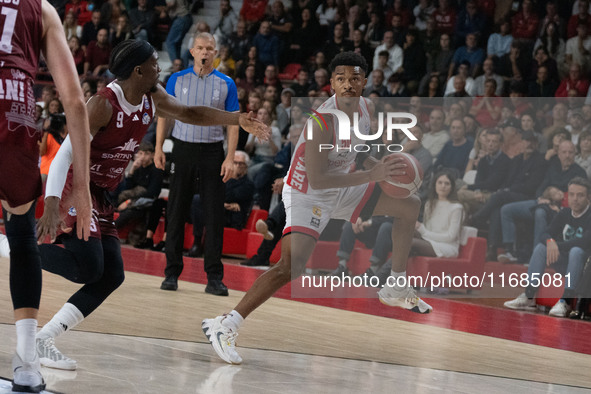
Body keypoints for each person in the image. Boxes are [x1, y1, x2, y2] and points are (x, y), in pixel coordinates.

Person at [33, 39, 268, 373]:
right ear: (138, 70)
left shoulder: (151, 95)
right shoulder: (103, 104)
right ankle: (18, 245)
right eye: (156, 64)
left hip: (102, 193)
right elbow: (66, 154)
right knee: (87, 266)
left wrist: (235, 118)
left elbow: (188, 113)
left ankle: (45, 338)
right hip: (76, 185)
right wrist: (53, 203)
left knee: (111, 275)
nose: (162, 68)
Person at [202, 52, 433, 366]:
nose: (348, 85)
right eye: (341, 79)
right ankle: (226, 324)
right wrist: (372, 176)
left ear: (365, 81)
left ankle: (396, 283)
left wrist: (380, 167)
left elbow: (361, 151)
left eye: (354, 78)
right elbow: (319, 178)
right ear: (332, 84)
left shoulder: (368, 108)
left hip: (345, 183)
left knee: (409, 205)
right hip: (308, 192)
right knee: (291, 266)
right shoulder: (322, 122)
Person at [0, 0, 92, 391]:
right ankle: (26, 361)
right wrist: (82, 188)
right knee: (21, 238)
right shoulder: (44, 10)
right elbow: (74, 101)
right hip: (15, 113)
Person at [155, 33, 244, 295]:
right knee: (176, 211)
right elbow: (164, 114)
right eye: (201, 48)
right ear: (192, 51)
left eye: (210, 48)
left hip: (212, 152)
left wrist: (230, 157)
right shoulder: (176, 79)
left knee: (214, 214)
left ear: (215, 52)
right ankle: (171, 273)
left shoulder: (226, 83)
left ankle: (214, 278)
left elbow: (233, 122)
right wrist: (159, 147)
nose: (205, 52)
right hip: (182, 148)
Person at [504, 178, 591, 317]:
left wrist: (557, 245)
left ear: (588, 197)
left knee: (576, 251)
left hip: (582, 265)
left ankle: (565, 301)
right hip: (563, 259)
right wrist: (550, 241)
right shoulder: (564, 213)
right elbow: (545, 233)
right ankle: (529, 296)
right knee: (541, 247)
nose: (575, 199)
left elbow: (585, 242)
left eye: (580, 195)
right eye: (572, 194)